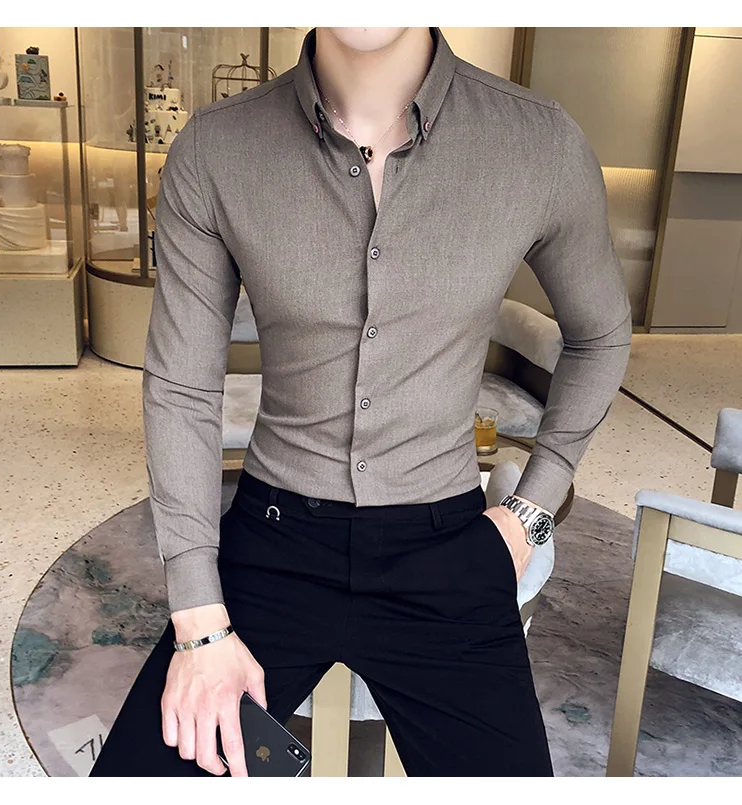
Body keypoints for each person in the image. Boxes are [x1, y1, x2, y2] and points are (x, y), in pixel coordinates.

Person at [89, 26, 632, 777]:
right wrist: (199, 622)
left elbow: (600, 335)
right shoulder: (216, 149)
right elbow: (182, 385)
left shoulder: (538, 143)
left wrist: (531, 512)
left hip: (448, 549)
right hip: (272, 544)